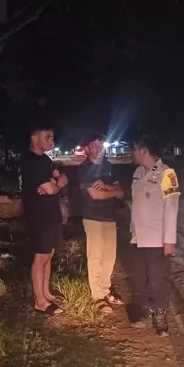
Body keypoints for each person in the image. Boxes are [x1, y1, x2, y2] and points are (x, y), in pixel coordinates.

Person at [129, 134, 180, 336]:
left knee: (158, 280)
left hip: (157, 238)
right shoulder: (137, 173)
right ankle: (142, 309)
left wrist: (169, 240)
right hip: (138, 237)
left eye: (134, 149)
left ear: (144, 150)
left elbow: (171, 208)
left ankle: (160, 315)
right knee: (139, 277)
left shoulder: (167, 174)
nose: (132, 153)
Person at [19, 123, 67, 315]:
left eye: (52, 137)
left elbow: (53, 182)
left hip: (51, 213)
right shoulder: (30, 161)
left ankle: (46, 292)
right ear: (34, 137)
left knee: (49, 253)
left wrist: (54, 183)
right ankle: (40, 300)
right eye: (47, 137)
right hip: (38, 215)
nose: (51, 141)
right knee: (40, 256)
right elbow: (52, 187)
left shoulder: (45, 160)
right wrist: (57, 184)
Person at [79, 133, 124, 313]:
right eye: (94, 145)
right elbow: (95, 195)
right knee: (95, 256)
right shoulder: (84, 169)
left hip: (109, 216)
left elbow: (121, 191)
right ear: (87, 148)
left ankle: (105, 289)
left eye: (100, 145)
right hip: (92, 217)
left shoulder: (108, 166)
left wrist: (107, 187)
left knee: (109, 256)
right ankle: (97, 296)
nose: (98, 149)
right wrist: (112, 191)